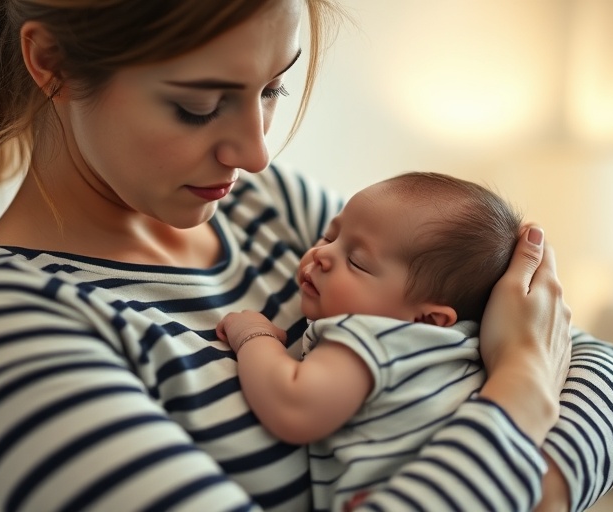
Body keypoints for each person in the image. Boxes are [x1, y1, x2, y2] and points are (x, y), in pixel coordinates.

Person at [0, 1, 613, 511]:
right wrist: (521, 393)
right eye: (198, 105)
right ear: (51, 62)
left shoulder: (270, 209)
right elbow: (539, 360)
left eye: (272, 89)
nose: (255, 152)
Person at [217, 171, 525, 511]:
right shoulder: (471, 345)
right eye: (328, 236)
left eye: (357, 262)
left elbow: (294, 406)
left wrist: (254, 335)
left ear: (427, 319)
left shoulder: (374, 335)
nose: (322, 254)